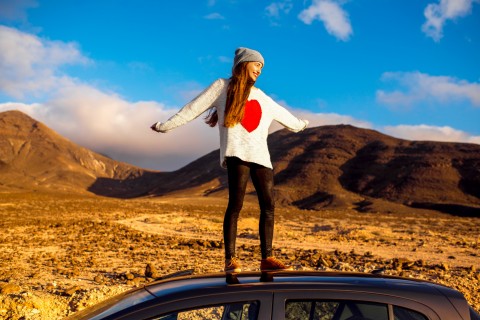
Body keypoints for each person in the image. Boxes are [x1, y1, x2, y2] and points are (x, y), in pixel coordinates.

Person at [151, 47, 309, 273]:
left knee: (269, 205)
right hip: (237, 152)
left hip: (261, 156)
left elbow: (287, 118)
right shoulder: (222, 87)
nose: (260, 70)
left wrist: (302, 124)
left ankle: (267, 258)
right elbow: (192, 108)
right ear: (244, 64)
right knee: (236, 203)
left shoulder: (262, 98)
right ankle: (230, 259)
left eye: (262, 67)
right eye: (257, 64)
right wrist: (165, 126)